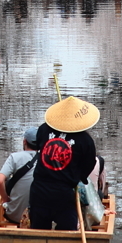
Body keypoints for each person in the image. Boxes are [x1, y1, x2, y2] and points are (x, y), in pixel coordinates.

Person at [28, 96, 100, 231]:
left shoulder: (44, 129)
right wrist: (78, 177)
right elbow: (88, 165)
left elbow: (40, 147)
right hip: (64, 192)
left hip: (40, 190)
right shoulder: (85, 140)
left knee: (39, 232)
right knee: (67, 233)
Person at [0, 127, 40, 223]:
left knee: (5, 183)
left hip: (15, 216)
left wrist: (5, 199)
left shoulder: (14, 157)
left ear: (24, 142)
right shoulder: (46, 160)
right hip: (39, 218)